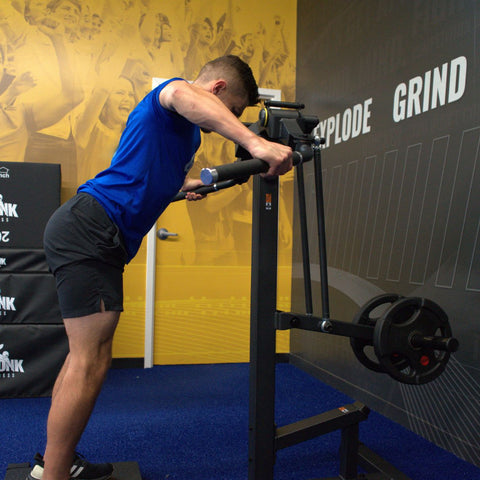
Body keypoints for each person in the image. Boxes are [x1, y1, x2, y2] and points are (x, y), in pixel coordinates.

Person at [27, 55, 292, 480]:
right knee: (91, 360)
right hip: (91, 229)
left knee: (82, 357)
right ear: (218, 89)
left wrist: (186, 187)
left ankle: (53, 461)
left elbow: (146, 180)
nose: (231, 118)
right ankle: (54, 474)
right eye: (233, 109)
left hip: (89, 230)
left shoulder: (184, 135)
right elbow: (181, 92)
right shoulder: (175, 94)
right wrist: (258, 144)